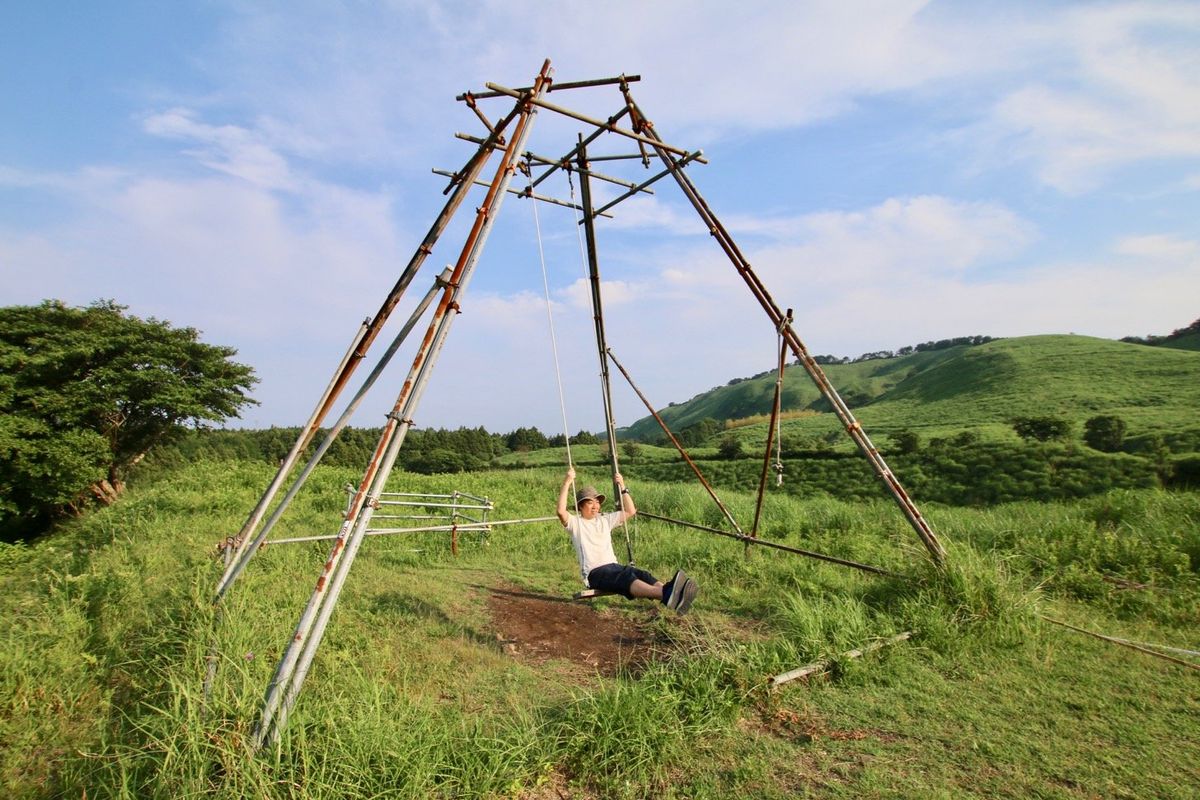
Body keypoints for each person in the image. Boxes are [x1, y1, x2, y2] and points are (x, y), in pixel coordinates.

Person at [557, 466, 698, 614]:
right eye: (590, 502)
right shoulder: (575, 524)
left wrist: (622, 486)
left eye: (597, 502)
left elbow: (631, 511)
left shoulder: (604, 520)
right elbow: (561, 511)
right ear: (580, 505)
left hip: (613, 566)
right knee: (625, 577)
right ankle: (668, 594)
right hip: (595, 573)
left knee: (642, 574)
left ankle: (672, 594)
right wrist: (567, 482)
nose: (596, 506)